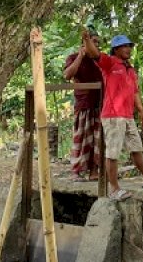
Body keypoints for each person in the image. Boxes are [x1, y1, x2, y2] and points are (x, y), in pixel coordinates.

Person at [82, 30, 143, 201]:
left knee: (136, 148)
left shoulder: (131, 70)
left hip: (127, 116)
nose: (128, 49)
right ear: (116, 49)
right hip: (113, 116)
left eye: (129, 46)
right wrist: (87, 40)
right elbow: (94, 53)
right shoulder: (109, 63)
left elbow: (134, 92)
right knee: (113, 153)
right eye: (124, 46)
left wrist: (141, 111)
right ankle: (114, 188)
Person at [63, 29, 104, 182]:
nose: (97, 45)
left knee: (97, 141)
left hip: (99, 104)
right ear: (84, 43)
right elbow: (68, 75)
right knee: (81, 139)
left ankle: (94, 171)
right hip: (83, 104)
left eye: (98, 43)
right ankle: (76, 171)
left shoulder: (99, 60)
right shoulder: (73, 57)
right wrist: (81, 55)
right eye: (94, 42)